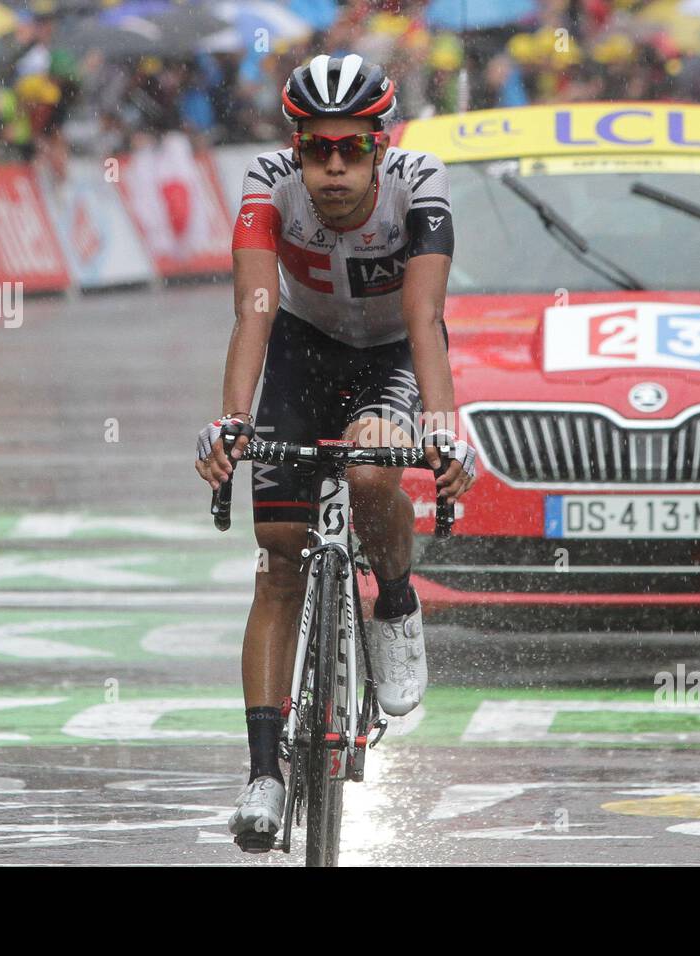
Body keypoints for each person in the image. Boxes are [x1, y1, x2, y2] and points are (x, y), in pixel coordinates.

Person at [193, 53, 478, 848]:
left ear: (380, 145)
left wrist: (444, 426)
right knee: (278, 555)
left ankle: (393, 597)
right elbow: (254, 308)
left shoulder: (421, 180)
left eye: (352, 148)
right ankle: (264, 776)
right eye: (318, 149)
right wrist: (230, 421)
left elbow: (424, 317)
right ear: (297, 147)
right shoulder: (266, 181)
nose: (334, 168)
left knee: (368, 468)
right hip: (303, 348)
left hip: (390, 353)